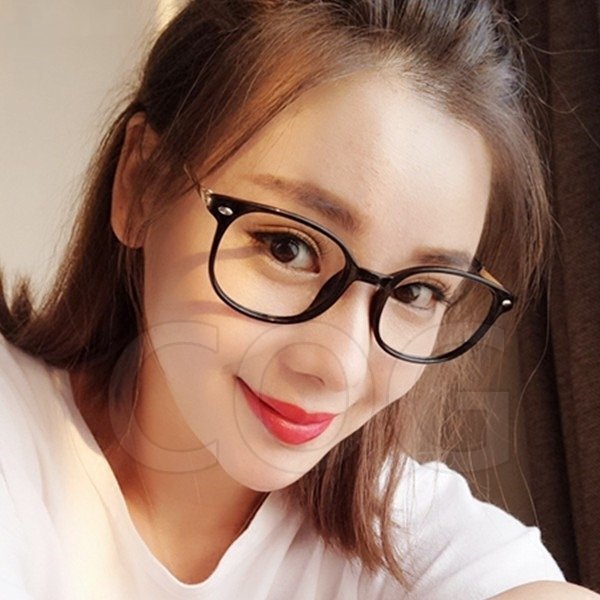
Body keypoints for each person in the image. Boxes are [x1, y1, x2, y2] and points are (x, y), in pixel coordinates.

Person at [0, 1, 597, 598]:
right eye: (288, 248)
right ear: (142, 183)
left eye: (416, 290)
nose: (340, 367)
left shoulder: (420, 541)